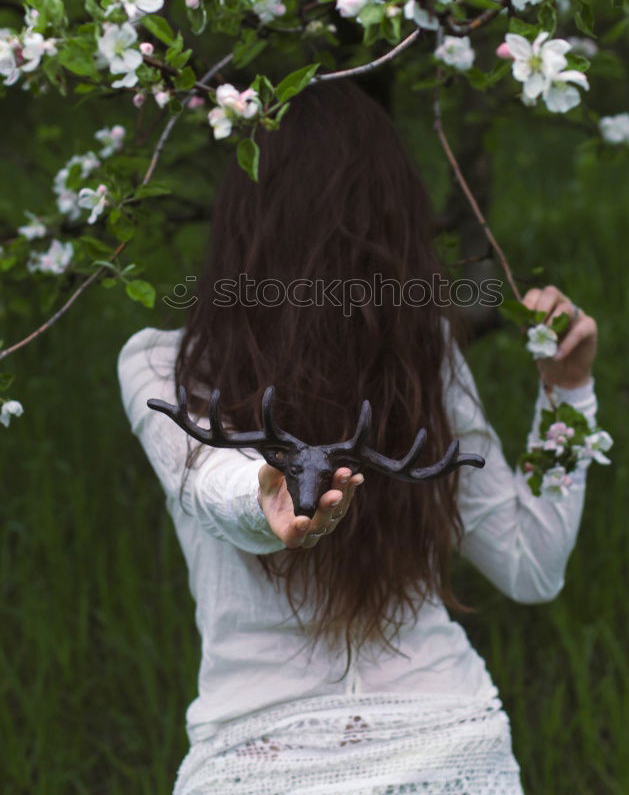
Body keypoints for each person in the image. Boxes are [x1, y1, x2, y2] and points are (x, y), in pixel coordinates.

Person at [117, 79, 599, 794]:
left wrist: (565, 390)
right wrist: (269, 499)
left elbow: (531, 564)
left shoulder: (421, 355)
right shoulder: (167, 366)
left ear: (243, 221)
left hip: (420, 750)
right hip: (318, 754)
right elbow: (211, 482)